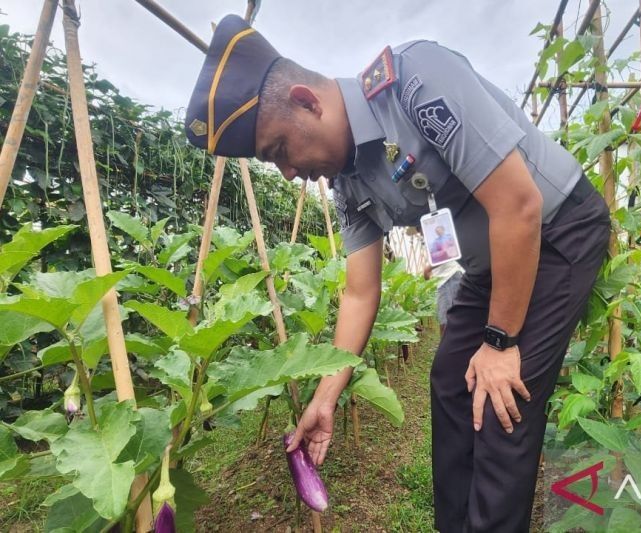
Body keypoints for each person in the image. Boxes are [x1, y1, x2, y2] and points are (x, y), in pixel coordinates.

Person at [184, 15, 610, 532]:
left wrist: (500, 345)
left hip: (555, 231)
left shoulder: (413, 81)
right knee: (451, 381)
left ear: (306, 101)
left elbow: (519, 207)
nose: (289, 172)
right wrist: (326, 395)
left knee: (502, 405)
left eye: (278, 150)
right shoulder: (346, 184)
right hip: (492, 264)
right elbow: (361, 294)